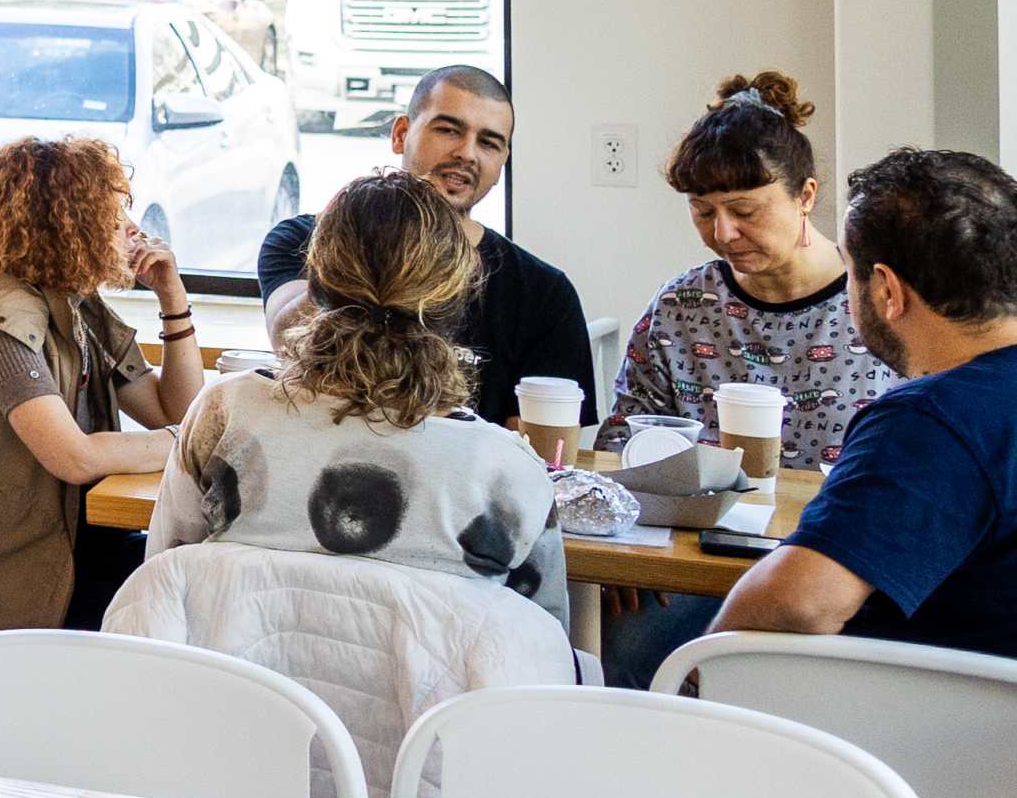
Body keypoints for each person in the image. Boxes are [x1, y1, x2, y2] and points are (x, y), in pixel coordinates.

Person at [153, 172, 563, 620]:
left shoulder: (226, 413)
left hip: (234, 687)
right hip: (434, 693)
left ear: (317, 281)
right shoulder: (508, 471)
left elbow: (164, 579)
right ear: (456, 296)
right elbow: (541, 646)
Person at [713, 147, 1017, 661]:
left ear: (887, 291)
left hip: (909, 725)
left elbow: (800, 604)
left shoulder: (933, 418)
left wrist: (704, 660)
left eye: (850, 274)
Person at [0, 136, 204, 636]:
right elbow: (73, 457)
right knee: (189, 603)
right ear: (63, 224)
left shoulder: (75, 305)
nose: (130, 227)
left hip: (60, 549)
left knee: (192, 587)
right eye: (109, 212)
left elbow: (175, 410)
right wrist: (189, 446)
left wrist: (172, 294)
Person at [255, 65, 592, 429]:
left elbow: (532, 454)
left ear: (501, 163)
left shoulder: (544, 293)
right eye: (448, 130)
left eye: (488, 142)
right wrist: (356, 234)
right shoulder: (300, 240)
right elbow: (287, 338)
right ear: (401, 134)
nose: (467, 153)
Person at [602, 72, 888, 463]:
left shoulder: (879, 300)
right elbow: (624, 445)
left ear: (805, 195)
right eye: (702, 211)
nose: (723, 233)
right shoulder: (681, 307)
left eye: (744, 211)